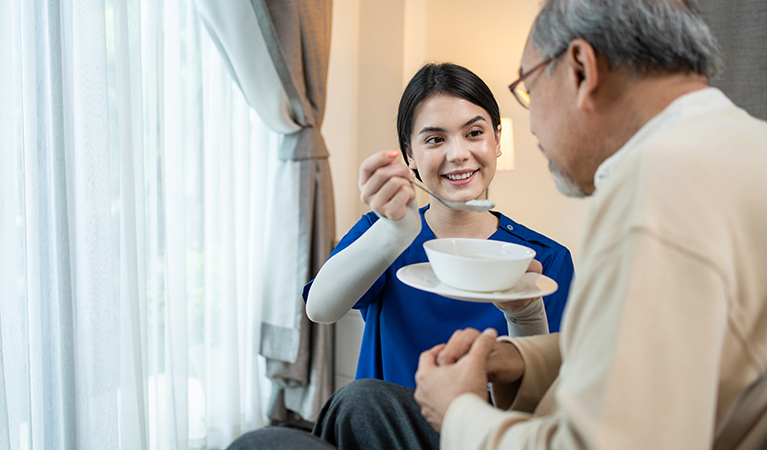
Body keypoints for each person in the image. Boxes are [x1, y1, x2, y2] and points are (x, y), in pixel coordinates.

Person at [305, 0, 767, 449]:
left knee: (328, 417)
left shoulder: (652, 196)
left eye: (528, 89)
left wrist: (459, 410)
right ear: (408, 154)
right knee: (357, 405)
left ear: (581, 70)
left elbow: (595, 429)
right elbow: (639, 364)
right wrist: (522, 357)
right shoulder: (742, 149)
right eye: (435, 139)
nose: (534, 129)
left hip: (479, 428)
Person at [302, 63, 575, 389]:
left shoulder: (548, 259)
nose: (458, 154)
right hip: (387, 429)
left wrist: (524, 314)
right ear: (410, 155)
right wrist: (393, 233)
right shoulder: (385, 232)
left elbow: (550, 388)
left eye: (474, 133)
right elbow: (319, 309)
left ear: (498, 139)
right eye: (434, 139)